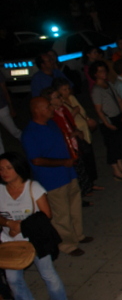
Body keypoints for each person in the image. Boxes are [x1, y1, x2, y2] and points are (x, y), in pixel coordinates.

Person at [21, 97, 90, 257]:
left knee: (74, 206)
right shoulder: (30, 133)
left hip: (68, 173)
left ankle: (78, 235)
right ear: (37, 110)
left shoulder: (51, 124)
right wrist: (63, 162)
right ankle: (67, 244)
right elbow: (36, 160)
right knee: (61, 214)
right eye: (47, 107)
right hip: (52, 179)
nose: (51, 109)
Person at [0, 152, 68, 300]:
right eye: (1, 169)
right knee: (12, 278)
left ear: (19, 168)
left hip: (35, 240)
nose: (4, 172)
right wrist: (9, 223)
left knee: (48, 274)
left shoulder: (33, 187)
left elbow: (47, 215)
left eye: (9, 168)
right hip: (10, 242)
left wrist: (22, 226)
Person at [89, 62, 122, 181]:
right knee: (111, 146)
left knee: (118, 143)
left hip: (117, 116)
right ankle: (115, 171)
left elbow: (118, 99)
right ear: (95, 74)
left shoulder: (109, 84)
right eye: (100, 71)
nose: (103, 73)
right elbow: (98, 110)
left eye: (104, 70)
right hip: (108, 120)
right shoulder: (96, 90)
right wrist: (107, 123)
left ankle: (120, 166)